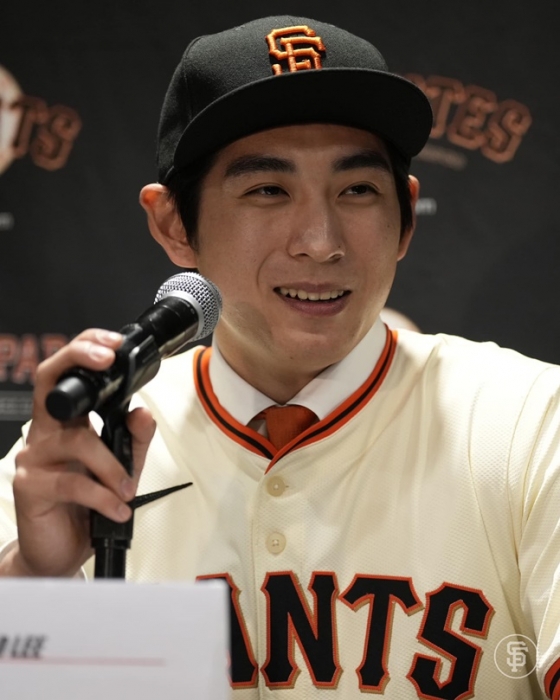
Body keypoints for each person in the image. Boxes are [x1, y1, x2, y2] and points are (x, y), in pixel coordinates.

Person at [0, 15, 559, 699]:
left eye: (357, 190)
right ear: (173, 224)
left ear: (407, 215)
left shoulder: (529, 424)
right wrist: (34, 579)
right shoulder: (88, 444)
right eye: (267, 190)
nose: (320, 242)